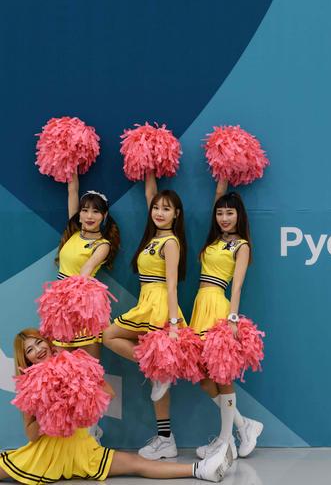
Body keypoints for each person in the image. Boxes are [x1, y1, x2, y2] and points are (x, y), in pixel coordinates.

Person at [0, 329, 232, 484]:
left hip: (82, 448)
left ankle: (201, 469)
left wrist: (79, 395)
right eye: (30, 349)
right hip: (46, 454)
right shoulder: (29, 386)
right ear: (26, 359)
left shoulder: (78, 363)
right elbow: (31, 435)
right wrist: (51, 409)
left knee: (137, 464)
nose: (38, 349)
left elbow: (108, 394)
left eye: (38, 342)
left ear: (48, 342)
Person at [103, 172, 186, 459]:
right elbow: (150, 193)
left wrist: (174, 324)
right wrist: (148, 165)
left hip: (160, 304)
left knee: (111, 336)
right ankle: (167, 437)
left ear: (176, 214)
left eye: (166, 208)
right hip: (145, 301)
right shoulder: (153, 237)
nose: (159, 212)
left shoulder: (171, 242)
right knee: (116, 341)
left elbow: (173, 284)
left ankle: (166, 438)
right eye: (156, 208)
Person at [190, 179, 263, 461]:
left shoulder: (241, 245)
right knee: (205, 379)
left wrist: (232, 319)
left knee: (222, 375)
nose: (224, 218)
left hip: (219, 307)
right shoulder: (214, 239)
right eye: (220, 213)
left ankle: (225, 441)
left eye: (230, 213)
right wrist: (220, 175)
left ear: (239, 215)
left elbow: (237, 286)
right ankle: (243, 427)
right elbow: (218, 196)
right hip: (200, 305)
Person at [53, 172, 120, 359]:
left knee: (90, 370)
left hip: (83, 305)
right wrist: (70, 157)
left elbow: (86, 270)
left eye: (96, 211)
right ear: (80, 214)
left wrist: (70, 300)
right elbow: (72, 189)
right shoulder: (73, 230)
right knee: (62, 364)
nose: (89, 216)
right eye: (85, 210)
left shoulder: (103, 244)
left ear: (104, 215)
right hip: (60, 303)